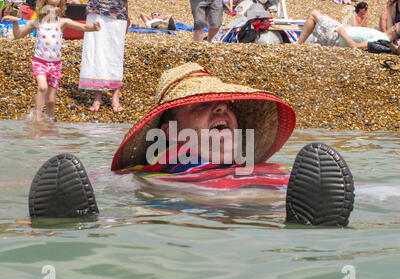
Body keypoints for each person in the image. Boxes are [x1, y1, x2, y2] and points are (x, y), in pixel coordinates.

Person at [28, 63, 355, 227]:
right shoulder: (149, 176)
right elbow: (90, 185)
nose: (222, 108)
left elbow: (371, 194)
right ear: (169, 131)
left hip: (259, 219)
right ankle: (77, 225)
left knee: (309, 184)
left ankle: (309, 226)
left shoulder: (281, 175)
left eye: (226, 104)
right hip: (177, 216)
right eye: (201, 104)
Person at [1, 0, 100, 122]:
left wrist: (94, 27)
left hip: (56, 66)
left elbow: (84, 27)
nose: (55, 9)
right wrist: (16, 22)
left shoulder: (62, 22)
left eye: (58, 6)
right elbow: (18, 35)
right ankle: (37, 120)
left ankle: (50, 123)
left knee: (51, 101)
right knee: (42, 87)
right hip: (40, 62)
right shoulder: (36, 22)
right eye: (52, 6)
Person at [78, 0, 129, 113]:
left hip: (118, 9)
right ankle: (97, 98)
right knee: (95, 50)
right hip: (97, 7)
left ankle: (115, 97)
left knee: (116, 52)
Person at [297, 9, 400, 50]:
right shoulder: (383, 37)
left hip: (338, 36)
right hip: (342, 31)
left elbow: (355, 46)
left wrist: (343, 33)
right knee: (323, 16)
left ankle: (298, 44)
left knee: (314, 14)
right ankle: (303, 42)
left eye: (393, 25)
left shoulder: (382, 39)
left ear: (393, 29)